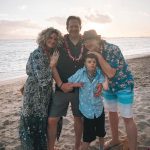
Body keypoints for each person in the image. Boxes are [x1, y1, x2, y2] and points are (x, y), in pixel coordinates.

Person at [82, 30, 137, 150]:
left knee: (127, 117)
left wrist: (98, 56)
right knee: (112, 113)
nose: (87, 43)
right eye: (85, 41)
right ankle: (115, 140)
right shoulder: (89, 53)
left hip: (123, 85)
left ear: (98, 39)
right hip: (108, 88)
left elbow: (111, 73)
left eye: (90, 39)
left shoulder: (112, 49)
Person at [19, 27, 62, 150]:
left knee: (43, 122)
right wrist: (52, 65)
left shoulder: (52, 53)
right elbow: (43, 79)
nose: (52, 40)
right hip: (34, 95)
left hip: (46, 94)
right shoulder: (37, 54)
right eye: (50, 37)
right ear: (44, 38)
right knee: (32, 123)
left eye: (55, 38)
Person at [48, 16, 86, 150]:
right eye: (71, 26)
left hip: (80, 89)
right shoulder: (59, 44)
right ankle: (50, 147)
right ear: (67, 27)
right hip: (61, 88)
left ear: (80, 27)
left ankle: (77, 147)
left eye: (76, 25)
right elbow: (52, 66)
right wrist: (60, 85)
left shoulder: (85, 44)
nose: (74, 28)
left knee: (78, 119)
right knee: (52, 120)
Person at [68, 53, 108, 150]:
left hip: (98, 109)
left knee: (101, 133)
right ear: (85, 63)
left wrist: (101, 84)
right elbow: (69, 82)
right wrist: (77, 84)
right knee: (87, 137)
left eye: (94, 62)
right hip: (87, 111)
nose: (92, 64)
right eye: (89, 62)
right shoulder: (80, 73)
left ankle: (102, 148)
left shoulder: (99, 73)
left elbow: (106, 87)